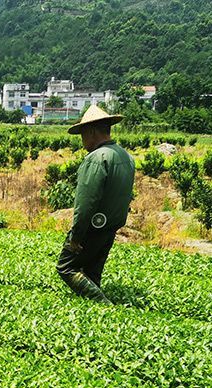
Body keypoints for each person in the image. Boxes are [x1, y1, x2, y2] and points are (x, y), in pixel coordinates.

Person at [56, 105, 136, 303]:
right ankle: (96, 312)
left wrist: (76, 236)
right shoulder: (125, 156)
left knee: (66, 266)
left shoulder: (96, 159)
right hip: (110, 226)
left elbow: (85, 204)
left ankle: (104, 304)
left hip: (92, 228)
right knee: (92, 271)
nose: (82, 140)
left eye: (83, 133)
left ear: (91, 131)